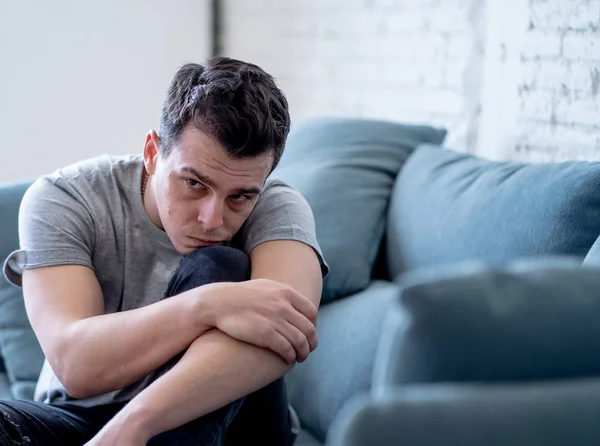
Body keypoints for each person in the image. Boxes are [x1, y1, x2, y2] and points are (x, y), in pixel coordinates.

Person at [1, 57, 328, 445]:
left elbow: (286, 329)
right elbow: (76, 364)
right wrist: (208, 305)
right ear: (153, 152)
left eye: (239, 196)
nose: (212, 219)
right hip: (81, 418)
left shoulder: (277, 207)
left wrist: (135, 424)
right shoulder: (64, 197)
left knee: (220, 263)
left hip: (236, 426)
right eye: (193, 183)